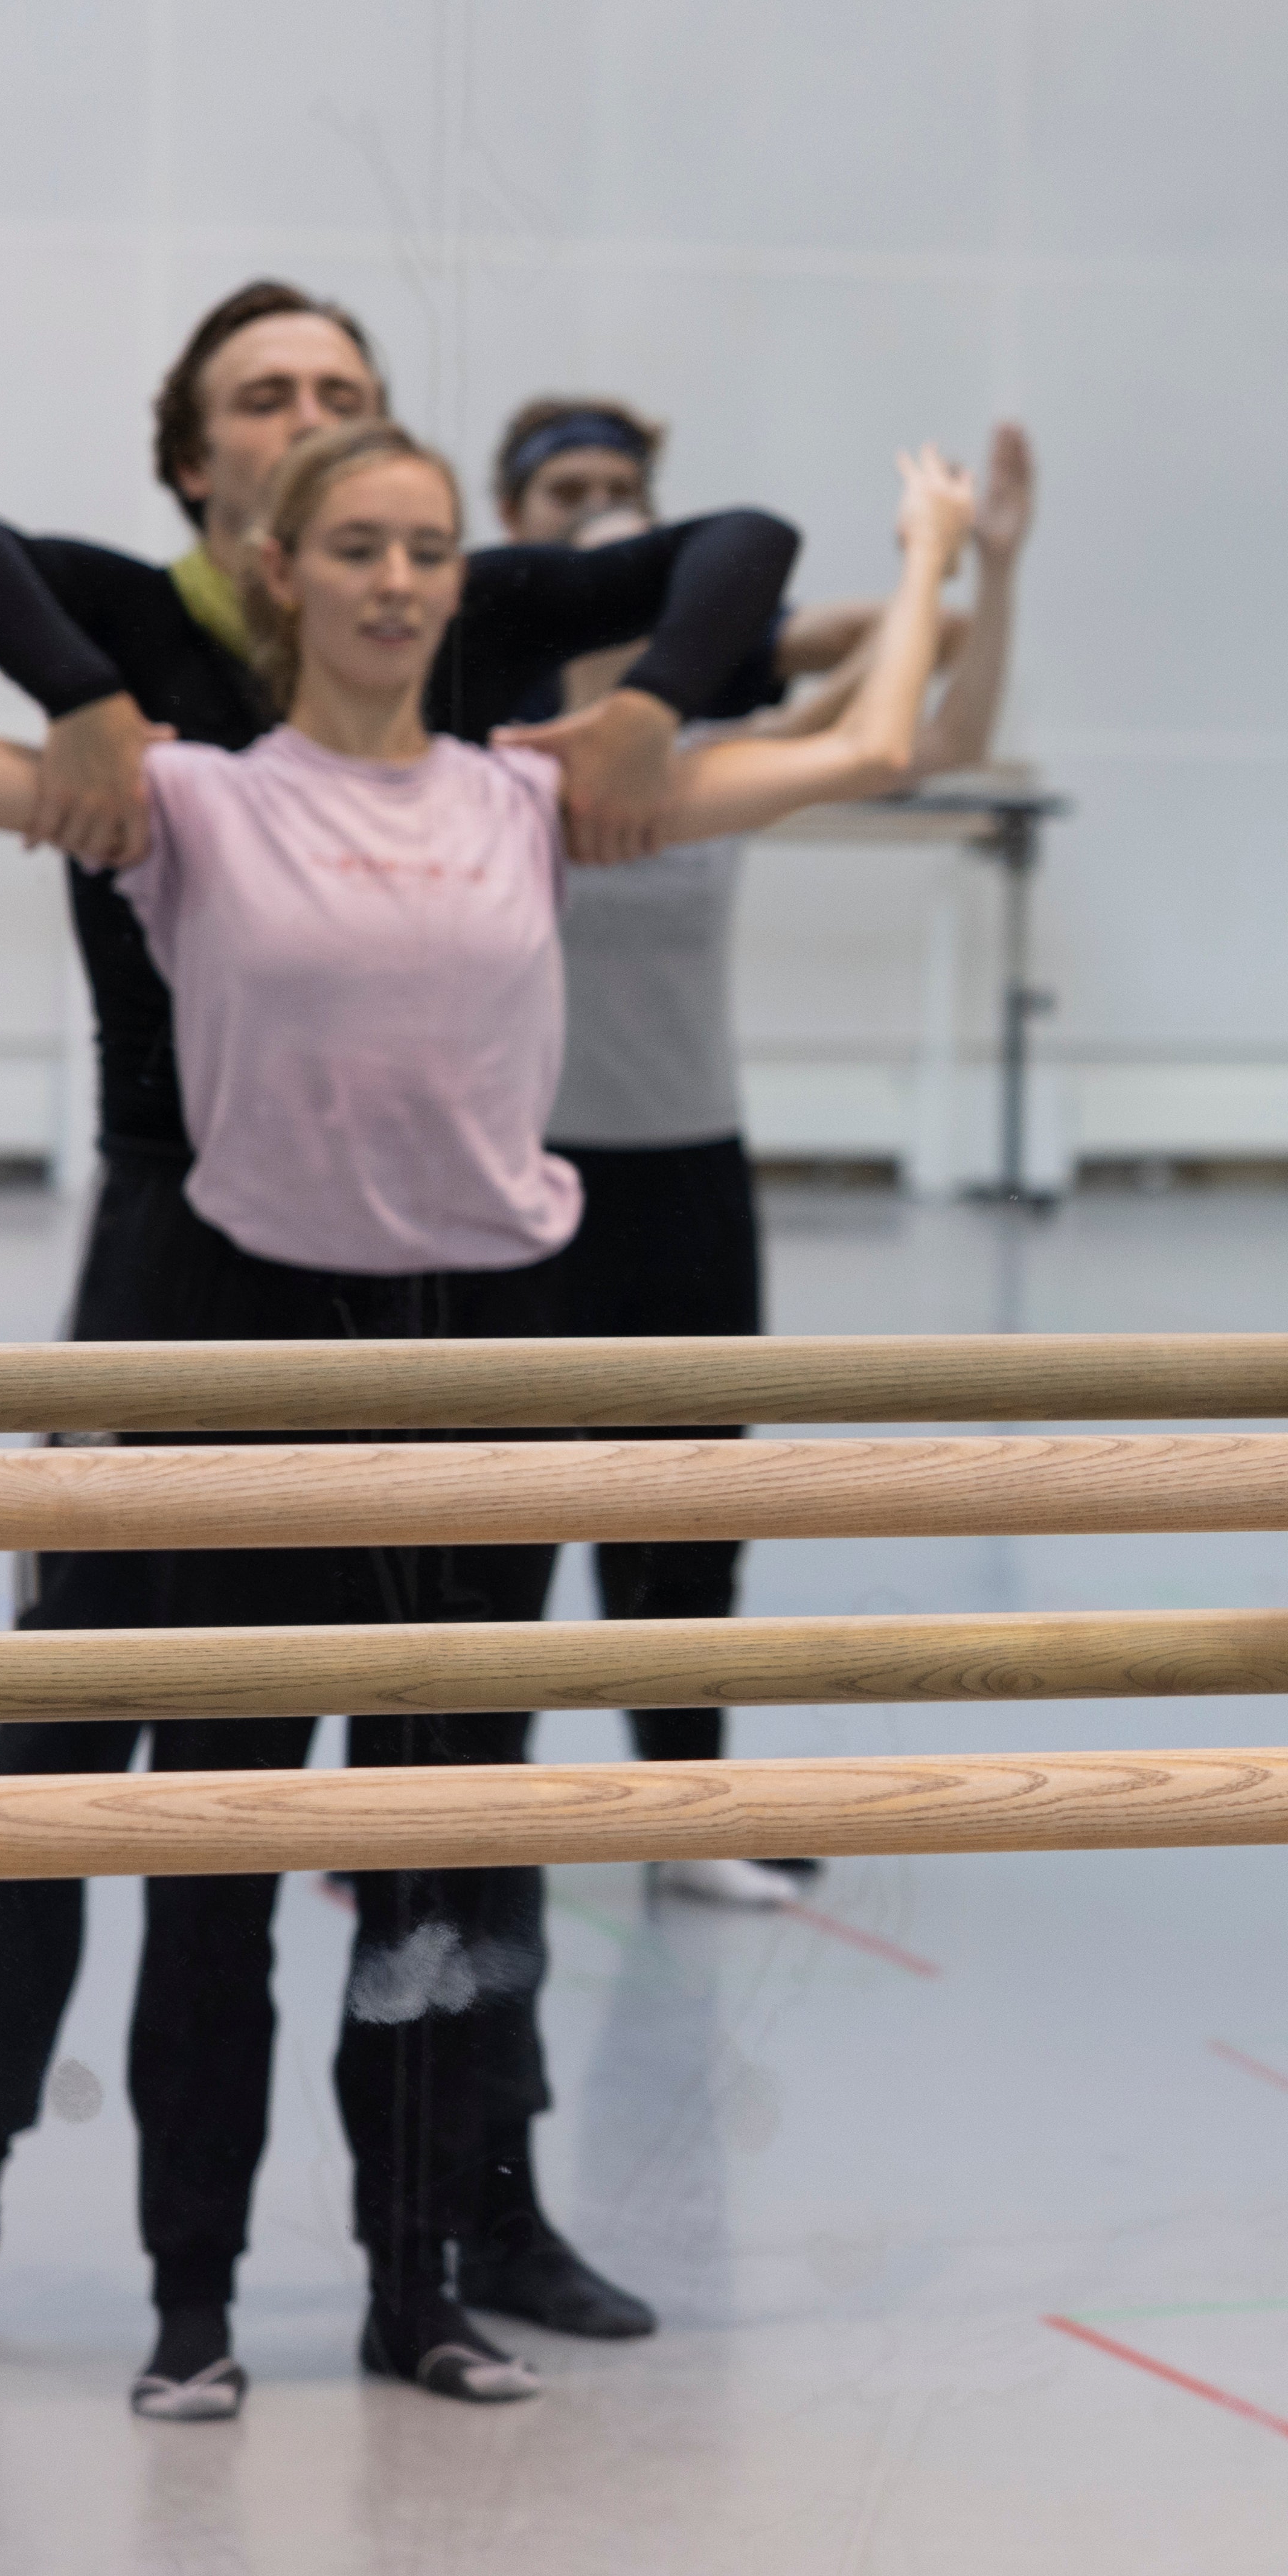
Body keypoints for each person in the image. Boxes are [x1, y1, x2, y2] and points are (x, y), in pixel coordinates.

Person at [0, 393, 973, 2414]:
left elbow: (872, 744)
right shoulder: (191, 803)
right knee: (223, 1850)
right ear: (282, 578)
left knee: (433, 1851)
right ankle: (191, 2301)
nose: (403, 581)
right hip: (251, 1354)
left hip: (493, 1360)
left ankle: (420, 2277)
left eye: (430, 549)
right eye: (360, 549)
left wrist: (935, 547)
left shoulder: (535, 795)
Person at [0, 281, 803, 2403]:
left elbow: (745, 550)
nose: (313, 425)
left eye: (346, 396)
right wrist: (82, 697)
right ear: (197, 465)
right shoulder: (136, 623)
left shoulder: (447, 595)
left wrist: (657, 708)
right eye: (264, 400)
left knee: (461, 1762)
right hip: (178, 1253)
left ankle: (483, 2207)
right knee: (76, 1745)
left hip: (426, 1276)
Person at [491, 403, 1035, 1911]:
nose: (602, 523)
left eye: (627, 505)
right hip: (513, 1172)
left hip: (682, 1168)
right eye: (569, 503)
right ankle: (442, 1810)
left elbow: (936, 724)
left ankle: (688, 1806)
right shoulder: (487, 744)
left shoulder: (722, 741)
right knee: (493, 1512)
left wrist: (984, 563)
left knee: (689, 1509)